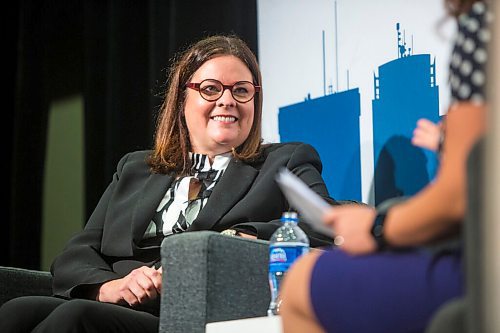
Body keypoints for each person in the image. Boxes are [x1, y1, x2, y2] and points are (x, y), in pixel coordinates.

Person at [0, 34, 336, 333]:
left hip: (187, 313)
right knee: (17, 311)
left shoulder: (284, 162)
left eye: (242, 91)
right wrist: (109, 287)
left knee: (74, 319)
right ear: (181, 100)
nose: (227, 100)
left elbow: (323, 222)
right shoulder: (135, 168)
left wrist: (240, 237)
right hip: (114, 301)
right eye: (211, 89)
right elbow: (79, 251)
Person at [280, 0, 493, 332]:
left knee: (299, 284)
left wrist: (375, 227)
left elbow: (458, 197)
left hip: (484, 271)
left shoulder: (485, 25)